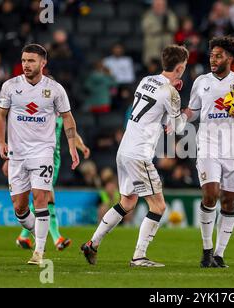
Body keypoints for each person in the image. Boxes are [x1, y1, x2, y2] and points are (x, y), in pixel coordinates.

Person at [81, 45, 189, 267]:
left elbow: (153, 112)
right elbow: (178, 128)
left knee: (127, 202)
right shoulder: (171, 93)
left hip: (125, 150)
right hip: (139, 154)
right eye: (184, 67)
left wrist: (167, 119)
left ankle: (92, 244)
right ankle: (139, 256)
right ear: (179, 68)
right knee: (158, 206)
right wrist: (183, 113)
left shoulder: (146, 80)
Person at [185, 36, 234, 268]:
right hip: (208, 145)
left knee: (229, 202)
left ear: (230, 58)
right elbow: (194, 112)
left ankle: (219, 255)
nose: (213, 59)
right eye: (211, 55)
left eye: (218, 55)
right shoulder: (201, 82)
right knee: (211, 194)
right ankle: (206, 251)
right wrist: (181, 117)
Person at [0, 44, 79, 265]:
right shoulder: (10, 87)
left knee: (41, 199)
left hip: (42, 152)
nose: (26, 65)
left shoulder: (55, 89)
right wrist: (1, 142)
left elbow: (68, 118)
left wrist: (71, 146)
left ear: (43, 63)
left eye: (31, 61)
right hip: (17, 154)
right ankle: (37, 234)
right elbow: (0, 115)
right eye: (23, 60)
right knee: (19, 208)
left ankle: (39, 252)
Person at [3, 120, 90, 250]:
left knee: (44, 197)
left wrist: (81, 146)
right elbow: (24, 132)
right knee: (46, 196)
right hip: (40, 157)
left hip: (54, 159)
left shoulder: (60, 112)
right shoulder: (42, 110)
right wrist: (11, 157)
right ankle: (56, 239)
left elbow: (71, 130)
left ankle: (24, 236)